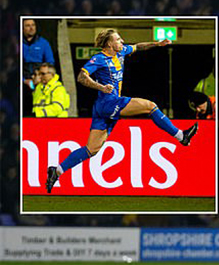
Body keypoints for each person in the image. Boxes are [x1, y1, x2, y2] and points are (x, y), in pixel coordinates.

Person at [45, 29, 198, 193]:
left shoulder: (121, 52)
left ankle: (57, 170)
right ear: (110, 44)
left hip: (103, 107)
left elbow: (138, 47)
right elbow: (81, 77)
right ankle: (180, 136)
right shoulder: (100, 58)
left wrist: (157, 44)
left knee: (91, 149)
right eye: (118, 39)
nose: (122, 41)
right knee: (150, 106)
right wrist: (101, 87)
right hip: (108, 102)